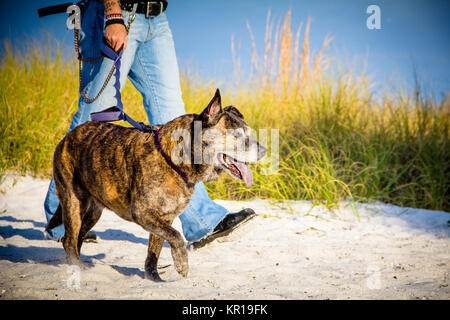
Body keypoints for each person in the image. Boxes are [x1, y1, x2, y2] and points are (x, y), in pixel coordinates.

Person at [44, 0, 256, 249]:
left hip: (157, 19)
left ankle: (203, 221)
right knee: (94, 116)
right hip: (116, 13)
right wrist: (113, 14)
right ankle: (62, 222)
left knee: (184, 126)